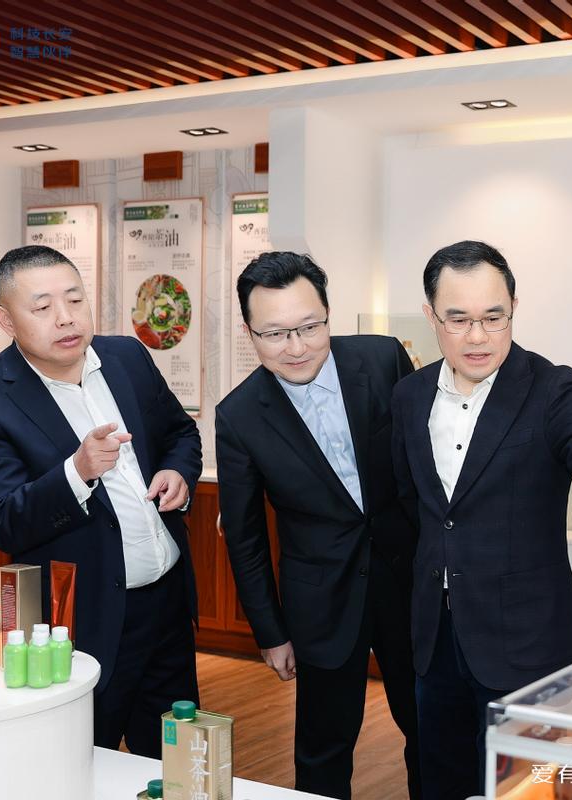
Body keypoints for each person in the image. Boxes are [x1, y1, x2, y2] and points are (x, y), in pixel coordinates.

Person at [390, 240, 572, 800]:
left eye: (493, 317)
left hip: (527, 643)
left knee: (530, 788)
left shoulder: (551, 388)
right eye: (458, 319)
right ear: (431, 316)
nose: (477, 336)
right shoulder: (409, 397)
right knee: (440, 781)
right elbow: (415, 506)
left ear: (514, 309)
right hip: (436, 640)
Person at [0, 245, 202, 757]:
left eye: (75, 300)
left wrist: (179, 472)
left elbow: (180, 432)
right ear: (5, 320)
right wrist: (76, 472)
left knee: (174, 761)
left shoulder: (128, 357)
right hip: (86, 621)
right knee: (84, 757)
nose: (65, 318)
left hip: (168, 604)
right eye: (42, 307)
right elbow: (2, 521)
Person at [216, 252, 420, 800]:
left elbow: (423, 468)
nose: (297, 347)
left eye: (310, 327)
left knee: (430, 731)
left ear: (329, 314)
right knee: (323, 752)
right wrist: (271, 632)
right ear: (249, 333)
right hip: (322, 602)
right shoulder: (239, 415)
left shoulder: (382, 358)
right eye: (275, 334)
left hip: (409, 584)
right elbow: (244, 536)